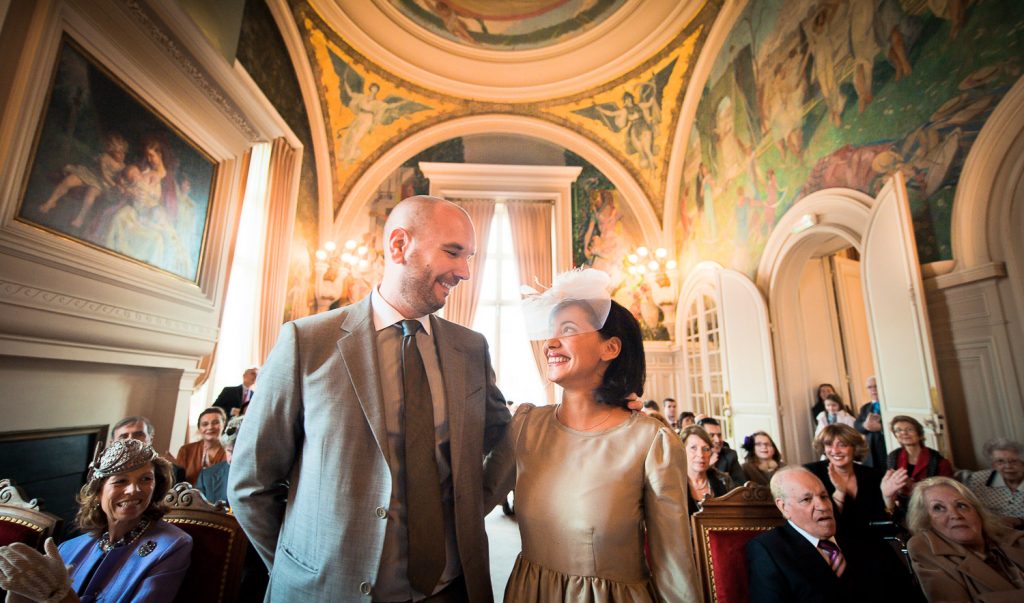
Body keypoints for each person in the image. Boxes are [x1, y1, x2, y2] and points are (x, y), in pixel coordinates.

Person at [229, 196, 512, 602]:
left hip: (450, 589)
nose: (465, 272)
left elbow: (506, 437)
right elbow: (250, 482)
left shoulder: (470, 348)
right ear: (398, 246)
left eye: (469, 257)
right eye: (453, 253)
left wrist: (470, 507)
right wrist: (302, 570)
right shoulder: (307, 342)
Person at [499, 269, 701, 601]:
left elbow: (673, 565)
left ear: (610, 348)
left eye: (567, 330)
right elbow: (471, 497)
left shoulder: (650, 442)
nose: (550, 343)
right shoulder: (526, 426)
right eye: (550, 332)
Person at [0, 439, 192, 602]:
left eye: (145, 479)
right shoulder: (68, 548)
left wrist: (59, 595)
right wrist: (18, 589)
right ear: (98, 491)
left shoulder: (172, 546)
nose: (134, 490)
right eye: (121, 481)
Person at [746, 466, 923, 602]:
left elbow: (906, 592)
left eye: (824, 496)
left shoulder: (860, 536)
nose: (823, 506)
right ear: (783, 507)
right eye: (807, 499)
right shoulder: (768, 550)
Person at [906, 476, 1024, 601]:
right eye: (938, 508)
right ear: (926, 521)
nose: (955, 515)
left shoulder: (1007, 536)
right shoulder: (923, 548)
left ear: (977, 512)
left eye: (961, 505)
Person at [804, 424, 906, 531]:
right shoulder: (811, 474)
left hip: (870, 540)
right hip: (831, 542)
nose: (835, 451)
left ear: (855, 448)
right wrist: (840, 492)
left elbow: (888, 526)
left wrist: (888, 499)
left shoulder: (873, 475)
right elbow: (817, 522)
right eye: (829, 445)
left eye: (842, 445)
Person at [886, 415, 954, 522]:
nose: (904, 433)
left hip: (931, 509)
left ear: (920, 434)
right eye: (898, 430)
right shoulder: (893, 456)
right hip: (904, 508)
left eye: (909, 429)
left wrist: (913, 486)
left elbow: (947, 492)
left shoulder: (938, 460)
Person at [960, 438, 1024, 530]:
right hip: (989, 531)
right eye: (1000, 461)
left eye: (1013, 461)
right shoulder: (979, 479)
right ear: (993, 465)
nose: (1008, 466)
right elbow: (968, 509)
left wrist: (1019, 521)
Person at [110, 415, 186, 484]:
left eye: (138, 435)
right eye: (123, 436)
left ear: (151, 439)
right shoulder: (101, 470)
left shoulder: (173, 472)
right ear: (113, 443)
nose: (131, 440)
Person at [682, 425, 735, 514]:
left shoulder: (724, 480)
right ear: (682, 451)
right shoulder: (674, 484)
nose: (701, 455)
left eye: (705, 449)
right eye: (693, 448)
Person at [196, 415, 242, 505]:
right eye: (229, 451)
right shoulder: (206, 477)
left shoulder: (269, 477)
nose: (232, 458)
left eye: (237, 452)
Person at [174, 407, 226, 484]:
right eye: (205, 424)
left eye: (215, 423)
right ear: (199, 428)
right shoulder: (186, 450)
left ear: (223, 425)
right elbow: (178, 481)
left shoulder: (230, 451)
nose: (210, 427)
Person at [697, 417, 748, 485]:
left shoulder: (730, 455)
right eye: (711, 435)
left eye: (719, 435)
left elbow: (740, 487)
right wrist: (707, 467)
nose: (717, 440)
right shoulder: (691, 456)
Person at [854, 376, 887, 468]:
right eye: (869, 387)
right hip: (870, 453)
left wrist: (881, 427)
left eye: (876, 386)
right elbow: (857, 425)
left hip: (886, 451)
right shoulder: (865, 407)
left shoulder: (890, 406)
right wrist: (865, 425)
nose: (873, 390)